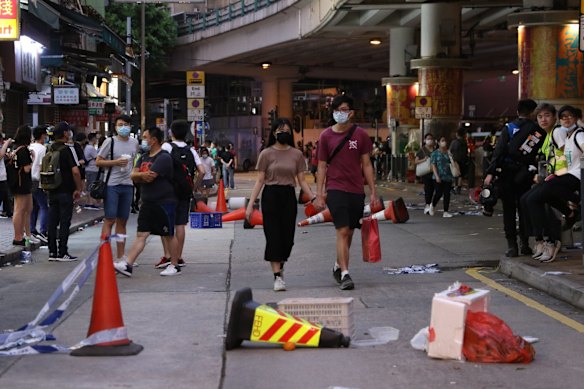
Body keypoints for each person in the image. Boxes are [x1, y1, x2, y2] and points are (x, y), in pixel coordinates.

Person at [314, 95, 379, 290]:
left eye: (345, 110)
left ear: (351, 112)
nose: (341, 113)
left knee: (349, 231)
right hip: (335, 188)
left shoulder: (360, 135)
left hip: (356, 190)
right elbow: (322, 166)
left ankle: (337, 265)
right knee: (341, 230)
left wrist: (373, 191)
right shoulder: (325, 136)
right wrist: (319, 193)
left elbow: (366, 164)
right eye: (338, 110)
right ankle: (345, 273)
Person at [246, 118, 315, 291]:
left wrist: (313, 197)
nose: (283, 132)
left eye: (287, 129)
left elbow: (301, 181)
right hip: (270, 196)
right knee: (273, 236)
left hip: (288, 196)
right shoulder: (266, 154)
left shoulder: (297, 154)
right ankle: (277, 277)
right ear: (274, 132)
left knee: (287, 239)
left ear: (291, 132)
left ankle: (280, 265)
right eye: (280, 129)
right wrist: (250, 204)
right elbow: (260, 180)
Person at [114, 126, 181, 277]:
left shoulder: (163, 157)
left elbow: (150, 177)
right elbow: (133, 174)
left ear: (154, 140)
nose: (143, 141)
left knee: (169, 234)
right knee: (141, 234)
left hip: (164, 202)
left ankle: (175, 265)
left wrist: (140, 175)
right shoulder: (144, 157)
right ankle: (128, 264)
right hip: (147, 202)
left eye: (145, 137)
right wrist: (140, 175)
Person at [484, 98, 543, 257]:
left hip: (506, 175)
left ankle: (512, 246)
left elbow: (499, 152)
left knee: (509, 210)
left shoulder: (509, 128)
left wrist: (490, 173)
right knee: (524, 209)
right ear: (533, 113)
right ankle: (525, 245)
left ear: (517, 112)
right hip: (525, 174)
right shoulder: (536, 131)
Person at [522, 105, 582, 263]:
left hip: (570, 175)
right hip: (562, 175)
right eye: (540, 117)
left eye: (547, 115)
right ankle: (542, 239)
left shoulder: (558, 132)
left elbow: (564, 156)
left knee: (535, 198)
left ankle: (550, 240)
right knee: (527, 199)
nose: (543, 119)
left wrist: (556, 174)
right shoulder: (549, 134)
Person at [156, 119, 205, 269]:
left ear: (171, 132)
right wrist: (194, 187)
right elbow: (202, 171)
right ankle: (179, 256)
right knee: (180, 224)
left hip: (168, 191)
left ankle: (169, 256)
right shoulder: (191, 150)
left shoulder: (166, 146)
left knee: (166, 224)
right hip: (185, 192)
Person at [96, 115, 139, 263]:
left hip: (128, 185)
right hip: (112, 185)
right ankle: (105, 254)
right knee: (109, 219)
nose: (123, 127)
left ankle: (120, 256)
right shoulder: (110, 141)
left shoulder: (134, 142)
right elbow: (98, 161)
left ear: (130, 126)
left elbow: (136, 160)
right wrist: (115, 162)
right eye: (120, 124)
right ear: (115, 127)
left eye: (126, 124)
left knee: (123, 221)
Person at [46, 122, 83, 261]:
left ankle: (52, 252)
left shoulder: (49, 148)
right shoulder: (66, 150)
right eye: (68, 131)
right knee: (64, 222)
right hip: (65, 191)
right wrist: (79, 188)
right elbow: (75, 171)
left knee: (52, 221)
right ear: (65, 133)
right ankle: (62, 252)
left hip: (52, 189)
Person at [6, 125, 36, 246]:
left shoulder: (15, 148)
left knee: (27, 209)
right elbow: (27, 169)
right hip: (21, 183)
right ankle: (18, 237)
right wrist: (33, 158)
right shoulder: (23, 150)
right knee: (19, 209)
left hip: (20, 183)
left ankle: (26, 235)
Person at [29, 125, 49, 243]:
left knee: (34, 206)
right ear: (42, 135)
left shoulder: (30, 146)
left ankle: (32, 229)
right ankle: (43, 231)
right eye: (45, 135)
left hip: (28, 180)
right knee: (43, 206)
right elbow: (43, 167)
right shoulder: (43, 149)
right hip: (38, 180)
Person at [430, 137, 455, 218]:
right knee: (438, 192)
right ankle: (432, 205)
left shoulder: (449, 153)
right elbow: (433, 165)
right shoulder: (435, 153)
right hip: (438, 176)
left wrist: (451, 158)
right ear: (438, 142)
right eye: (442, 141)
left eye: (445, 140)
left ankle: (446, 211)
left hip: (448, 176)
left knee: (447, 194)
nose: (444, 142)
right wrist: (437, 176)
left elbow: (453, 164)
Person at [415, 133, 436, 215]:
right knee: (428, 189)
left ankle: (431, 205)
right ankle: (427, 205)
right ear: (425, 140)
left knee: (434, 189)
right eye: (428, 138)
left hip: (434, 172)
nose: (430, 140)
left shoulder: (435, 150)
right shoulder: (422, 150)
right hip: (426, 173)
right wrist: (424, 159)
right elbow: (416, 161)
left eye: (431, 138)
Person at [449, 128, 469, 194]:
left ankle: (455, 187)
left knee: (455, 174)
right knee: (461, 175)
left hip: (455, 160)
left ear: (457, 134)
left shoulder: (454, 142)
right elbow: (466, 152)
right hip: (463, 160)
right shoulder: (464, 142)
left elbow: (450, 151)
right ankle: (459, 188)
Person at [83, 132, 100, 209]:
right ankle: (90, 203)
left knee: (89, 186)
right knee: (91, 186)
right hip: (92, 169)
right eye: (96, 138)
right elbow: (97, 158)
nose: (97, 140)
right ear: (93, 139)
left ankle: (89, 202)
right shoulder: (91, 148)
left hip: (89, 169)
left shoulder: (87, 147)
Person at [0, 133, 13, 218]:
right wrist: (6, 143)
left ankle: (8, 212)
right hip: (0, 179)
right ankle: (7, 212)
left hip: (2, 178)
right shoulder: (2, 147)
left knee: (6, 195)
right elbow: (0, 156)